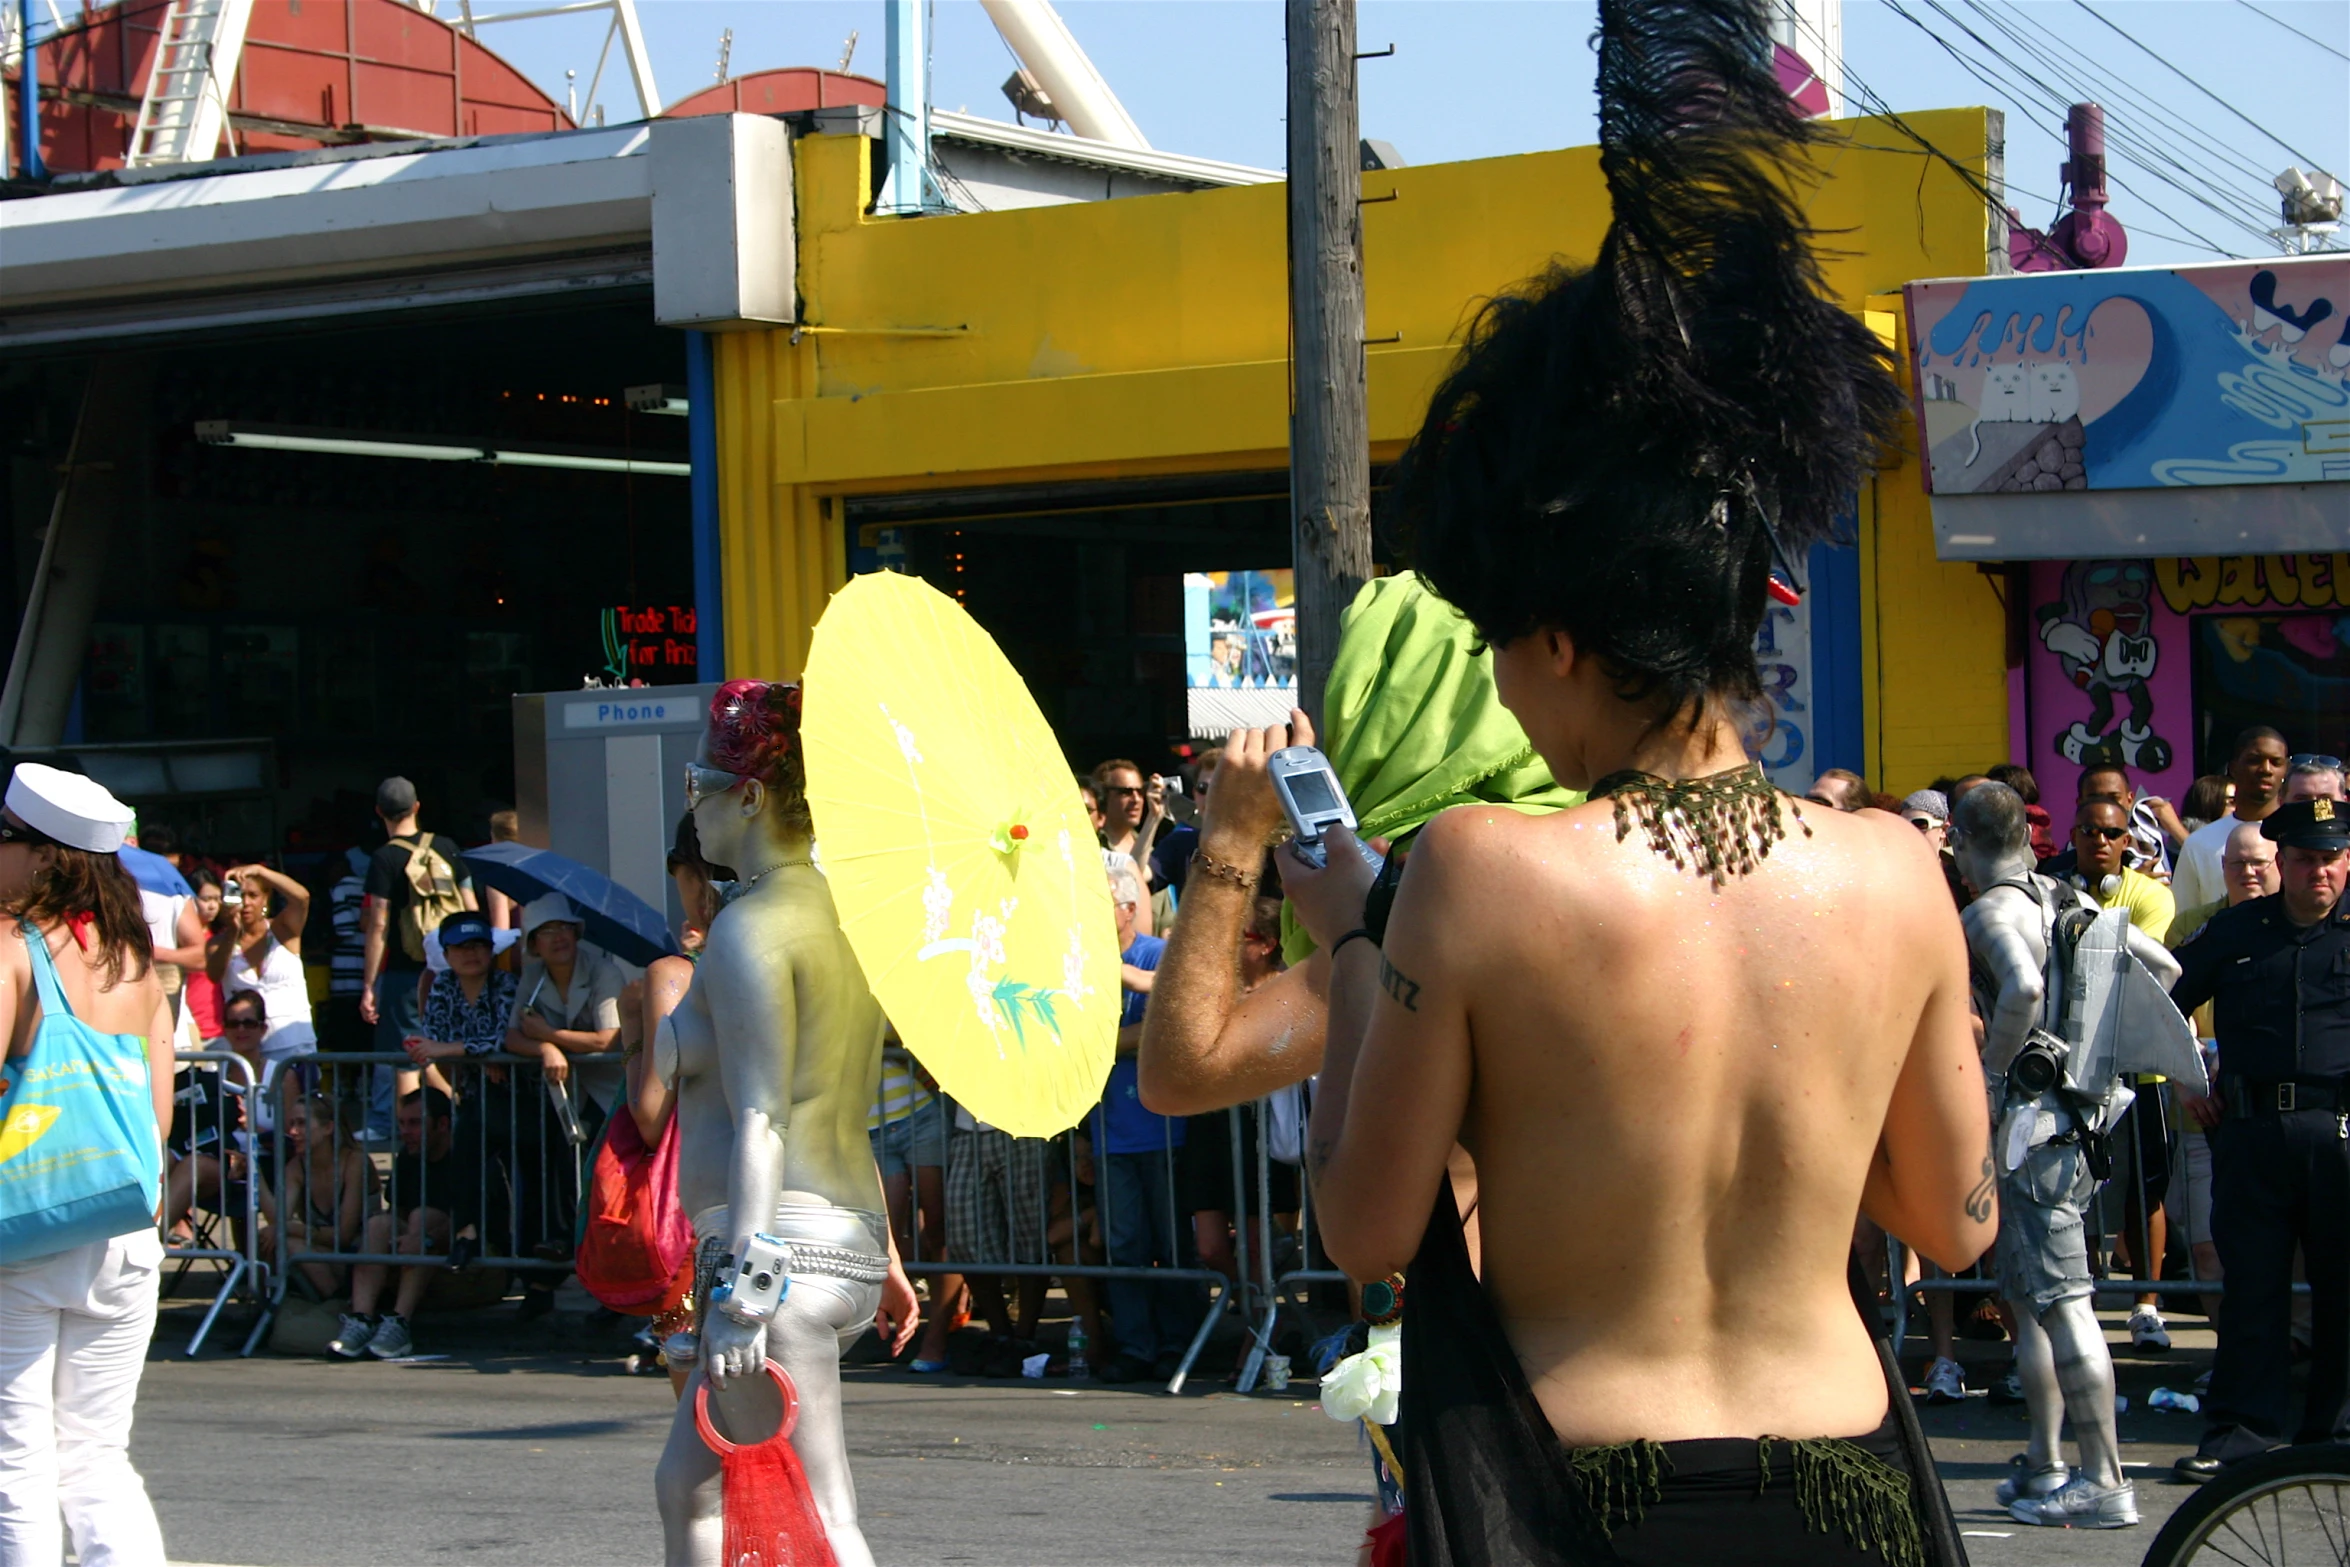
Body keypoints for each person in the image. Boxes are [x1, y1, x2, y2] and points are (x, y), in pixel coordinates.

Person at [1248, 13, 1996, 1558]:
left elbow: (1364, 1228)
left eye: (1502, 651)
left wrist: (1346, 933)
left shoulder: (1474, 869)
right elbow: (1954, 1218)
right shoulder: (1894, 872)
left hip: (1592, 1497)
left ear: (1568, 636)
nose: (1502, 692)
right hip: (1850, 1488)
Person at [653, 680, 918, 1567]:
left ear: (753, 796)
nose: (692, 800)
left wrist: (742, 1298)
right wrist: (883, 1262)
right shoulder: (845, 919)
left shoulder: (752, 926)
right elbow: (835, 1103)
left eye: (701, 780)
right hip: (835, 1235)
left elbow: (765, 1114)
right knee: (688, 1485)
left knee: (826, 1511)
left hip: (779, 1254)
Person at [0, 764, 174, 1566]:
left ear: (45, 855)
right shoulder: (136, 959)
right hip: (127, 1232)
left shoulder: (11, 947)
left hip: (24, 1233)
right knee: (99, 1456)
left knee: (17, 1461)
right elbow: (157, 1116)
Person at [2171, 796, 2350, 1481]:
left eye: (2332, 859)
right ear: (2282, 860)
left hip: (2339, 1130)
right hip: (2253, 1132)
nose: (2320, 873)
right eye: (2306, 860)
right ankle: (2241, 1432)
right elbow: (2162, 999)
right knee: (2253, 1288)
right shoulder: (2238, 930)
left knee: (2344, 1287)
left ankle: (2333, 1432)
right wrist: (2186, 1076)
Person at [2059, 797, 2180, 1354]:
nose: (2101, 842)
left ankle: (2146, 1305)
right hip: (2066, 1068)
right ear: (2075, 833)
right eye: (2090, 830)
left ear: (2126, 840)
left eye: (2112, 833)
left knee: (2142, 1192)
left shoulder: (2152, 894)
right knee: (2070, 1191)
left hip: (2138, 1073)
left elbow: (2140, 963)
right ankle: (2076, 1300)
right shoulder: (2047, 885)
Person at [2163, 819, 2283, 1331]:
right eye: (2239, 864)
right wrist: (2186, 1078)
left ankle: (2290, 1353)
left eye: (2260, 863)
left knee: (2289, 1250)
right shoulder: (2196, 926)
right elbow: (2164, 1007)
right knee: (2208, 1249)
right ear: (2223, 869)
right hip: (2203, 1110)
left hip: (2281, 1117)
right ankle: (2227, 1353)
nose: (2250, 873)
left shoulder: (2307, 928)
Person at [1090, 853, 1196, 1384]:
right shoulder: (1081, 964)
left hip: (1164, 1127)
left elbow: (1171, 1028)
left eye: (1101, 902)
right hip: (1110, 1133)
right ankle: (1135, 1345)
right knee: (1124, 1245)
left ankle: (1180, 1341)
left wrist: (1110, 1045)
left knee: (1171, 1243)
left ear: (1129, 907)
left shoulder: (1160, 956)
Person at [503, 893, 624, 1317]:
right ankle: (544, 1279)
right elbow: (513, 1036)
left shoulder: (603, 970)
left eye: (565, 928)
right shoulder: (533, 976)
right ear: (533, 944)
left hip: (607, 1092)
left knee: (605, 1186)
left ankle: (613, 1290)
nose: (558, 938)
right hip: (562, 1095)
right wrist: (544, 1050)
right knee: (551, 1175)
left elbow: (610, 1039)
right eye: (547, 932)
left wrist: (551, 1037)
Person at [330, 1086, 492, 1361]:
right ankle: (361, 1320)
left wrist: (427, 1239)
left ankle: (399, 1323)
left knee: (422, 1217)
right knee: (380, 1224)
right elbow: (398, 1214)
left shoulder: (470, 1158)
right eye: (402, 1123)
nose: (405, 1132)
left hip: (473, 1268)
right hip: (418, 1268)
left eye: (415, 1124)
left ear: (442, 1124)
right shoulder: (408, 1156)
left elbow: (480, 1226)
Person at [359, 777, 477, 1143]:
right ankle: (451, 1120)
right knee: (443, 1047)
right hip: (455, 968)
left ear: (379, 812)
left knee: (404, 1054)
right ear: (417, 807)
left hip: (405, 972)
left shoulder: (384, 858)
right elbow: (470, 909)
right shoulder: (447, 848)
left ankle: (401, 1130)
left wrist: (369, 983)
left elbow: (379, 922)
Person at [205, 860, 315, 1137]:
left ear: (265, 899)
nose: (245, 903)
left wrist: (262, 872)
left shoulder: (283, 930)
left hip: (295, 1048)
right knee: (253, 1128)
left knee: (301, 1129)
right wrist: (231, 930)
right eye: (238, 895)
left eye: (253, 895)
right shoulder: (219, 942)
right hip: (252, 1055)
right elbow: (214, 973)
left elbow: (302, 897)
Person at [260, 1092, 376, 1299]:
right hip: (324, 1254)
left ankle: (338, 1304)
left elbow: (344, 1235)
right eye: (292, 1123)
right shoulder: (297, 1166)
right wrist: (254, 1175)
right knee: (268, 1239)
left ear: (328, 1128)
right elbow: (277, 1219)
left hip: (364, 1259)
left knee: (286, 1242)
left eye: (302, 1123)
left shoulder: (355, 1162)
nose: (293, 1131)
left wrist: (290, 1228)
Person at [2171, 728, 2291, 909]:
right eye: (2254, 760)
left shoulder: (2297, 837)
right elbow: (2184, 918)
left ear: (2286, 769)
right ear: (2233, 767)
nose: (2266, 769)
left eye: (2275, 762)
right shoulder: (2199, 843)